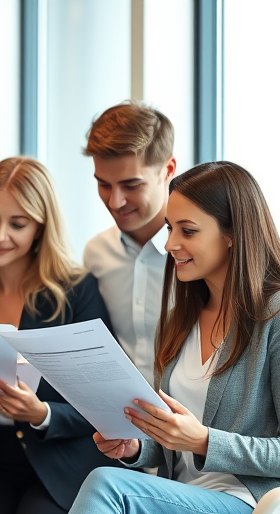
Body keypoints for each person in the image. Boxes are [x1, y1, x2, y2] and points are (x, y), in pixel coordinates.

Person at [36, 161, 280, 514]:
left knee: (108, 485)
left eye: (187, 230)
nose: (171, 243)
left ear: (232, 234)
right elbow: (173, 439)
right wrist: (137, 447)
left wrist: (205, 440)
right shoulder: (181, 317)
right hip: (185, 511)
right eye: (170, 227)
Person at [0, 157, 120, 514]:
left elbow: (105, 400)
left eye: (18, 224)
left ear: (41, 228)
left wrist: (41, 414)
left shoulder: (76, 291)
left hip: (62, 461)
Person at [82, 102, 177, 385]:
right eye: (104, 184)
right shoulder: (96, 254)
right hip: (118, 426)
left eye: (131, 186)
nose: (115, 202)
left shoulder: (202, 254)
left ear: (168, 169)